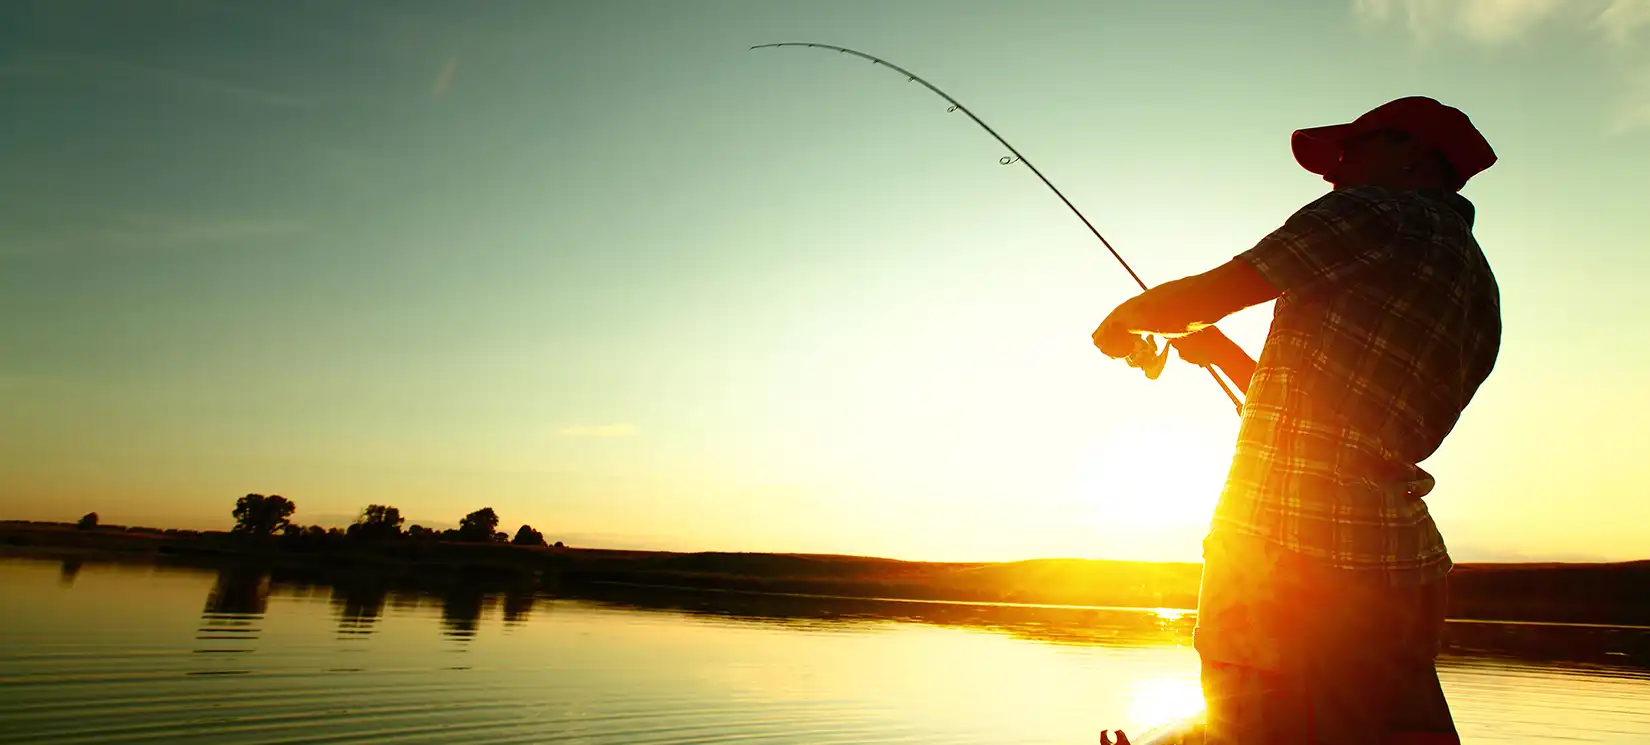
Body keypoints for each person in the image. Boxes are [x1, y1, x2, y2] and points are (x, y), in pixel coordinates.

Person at [1092, 96, 1502, 745]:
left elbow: (1208, 294)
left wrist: (1122, 319)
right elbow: (1342, 423)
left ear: (1413, 153)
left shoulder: (1373, 212)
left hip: (1282, 555)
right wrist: (1221, 350)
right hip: (1403, 570)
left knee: (1252, 725)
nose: (1336, 171)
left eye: (1353, 150)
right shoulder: (1480, 288)